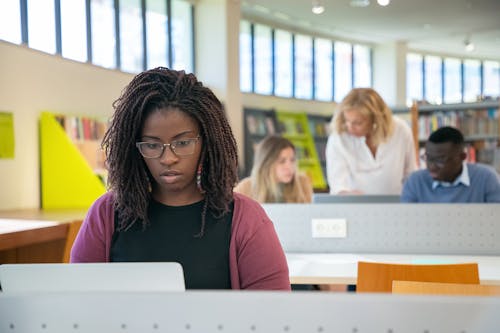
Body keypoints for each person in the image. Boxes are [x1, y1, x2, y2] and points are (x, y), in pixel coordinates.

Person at [70, 67, 291, 290]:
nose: (168, 158)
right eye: (152, 145)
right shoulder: (106, 214)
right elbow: (79, 306)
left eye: (183, 143)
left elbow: (274, 316)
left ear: (206, 142)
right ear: (133, 148)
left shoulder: (246, 220)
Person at [325, 87, 417, 195]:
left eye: (357, 123)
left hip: (397, 206)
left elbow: (411, 175)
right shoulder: (338, 138)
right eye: (347, 121)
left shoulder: (401, 130)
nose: (350, 127)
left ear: (375, 119)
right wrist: (346, 194)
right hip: (354, 208)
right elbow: (337, 185)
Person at [401, 126, 500, 203]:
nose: (432, 166)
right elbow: (407, 222)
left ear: (462, 157)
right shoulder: (415, 181)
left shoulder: (486, 178)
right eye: (428, 158)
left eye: (440, 160)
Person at [234, 136, 313, 203]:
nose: (290, 167)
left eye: (292, 160)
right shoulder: (245, 187)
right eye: (282, 161)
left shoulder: (302, 182)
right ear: (266, 164)